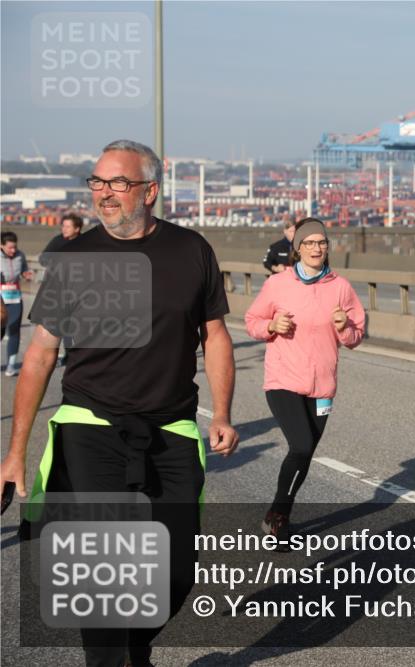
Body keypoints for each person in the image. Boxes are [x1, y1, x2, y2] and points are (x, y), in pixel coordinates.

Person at [0, 139, 239, 667]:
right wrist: (16, 451)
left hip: (172, 426)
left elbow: (216, 334)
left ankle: (135, 645)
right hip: (91, 424)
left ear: (150, 191)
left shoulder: (191, 250)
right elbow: (40, 354)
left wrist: (221, 413)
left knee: (178, 570)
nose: (105, 194)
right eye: (98, 182)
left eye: (119, 183)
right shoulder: (76, 257)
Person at [245, 217, 365, 543]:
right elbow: (253, 320)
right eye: (309, 243)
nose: (316, 248)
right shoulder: (278, 284)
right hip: (283, 378)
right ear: (297, 248)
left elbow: (356, 336)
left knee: (306, 453)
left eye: (321, 243)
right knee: (301, 445)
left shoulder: (340, 287)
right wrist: (271, 326)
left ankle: (276, 511)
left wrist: (344, 326)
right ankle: (280, 518)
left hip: (322, 384)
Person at [41, 213, 85, 365]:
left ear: (77, 228)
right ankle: (66, 353)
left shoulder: (86, 242)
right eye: (63, 226)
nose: (64, 229)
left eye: (67, 226)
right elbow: (43, 259)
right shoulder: (58, 241)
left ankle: (77, 353)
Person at [1, 231, 34, 377]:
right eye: (9, 248)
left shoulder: (20, 256)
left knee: (14, 330)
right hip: (0, 299)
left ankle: (11, 365)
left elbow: (24, 271)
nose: (13, 250)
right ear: (1, 246)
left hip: (15, 297)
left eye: (15, 247)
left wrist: (26, 274)